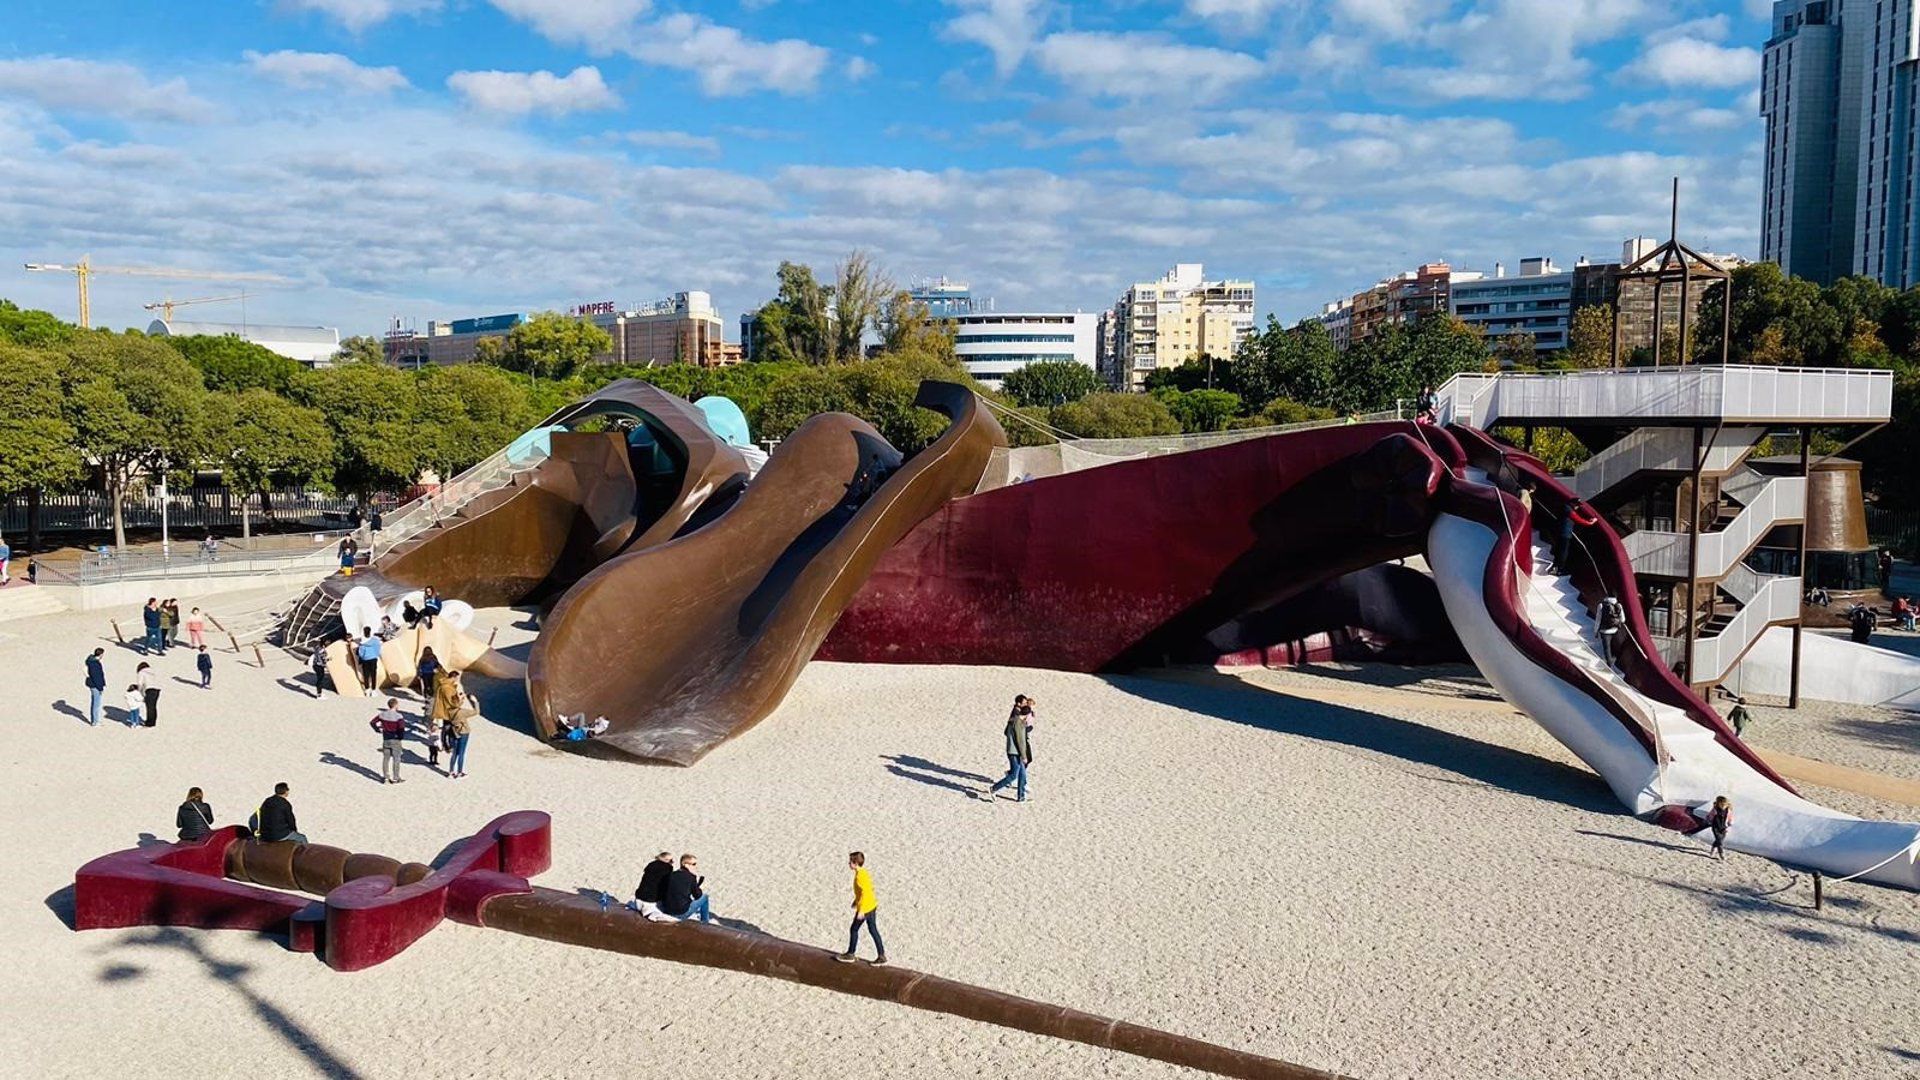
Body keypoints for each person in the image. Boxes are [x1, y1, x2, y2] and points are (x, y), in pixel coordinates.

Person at [836, 851, 887, 964]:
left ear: (855, 863)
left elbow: (865, 892)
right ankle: (881, 955)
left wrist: (861, 910)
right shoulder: (863, 872)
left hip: (866, 908)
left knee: (854, 929)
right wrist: (856, 901)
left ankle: (850, 954)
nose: (849, 863)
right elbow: (867, 889)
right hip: (871, 905)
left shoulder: (859, 876)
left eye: (850, 862)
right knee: (873, 930)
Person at [987, 694, 1033, 803]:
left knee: (1022, 773)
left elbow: (1006, 732)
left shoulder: (1014, 720)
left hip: (1013, 751)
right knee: (1014, 775)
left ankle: (1021, 796)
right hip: (1015, 752)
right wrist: (1024, 756)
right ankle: (994, 788)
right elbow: (1020, 741)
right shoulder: (1019, 724)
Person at [660, 854, 712, 923]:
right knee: (705, 897)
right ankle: (705, 923)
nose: (696, 867)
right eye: (693, 864)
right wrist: (699, 888)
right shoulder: (691, 877)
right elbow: (697, 896)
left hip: (666, 910)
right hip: (680, 914)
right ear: (685, 865)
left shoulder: (671, 875)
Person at [627, 851, 674, 919]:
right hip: (651, 903)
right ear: (665, 860)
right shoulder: (668, 868)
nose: (672, 862)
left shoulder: (651, 865)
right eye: (671, 860)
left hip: (638, 899)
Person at [371, 698, 407, 783]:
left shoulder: (382, 714)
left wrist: (377, 730)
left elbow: (372, 722)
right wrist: (400, 737)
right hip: (395, 739)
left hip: (386, 738)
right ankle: (396, 777)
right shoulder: (399, 716)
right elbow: (401, 728)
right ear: (395, 705)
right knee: (396, 759)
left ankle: (386, 777)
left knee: (386, 759)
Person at [447, 692, 475, 779]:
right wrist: (475, 701)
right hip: (463, 732)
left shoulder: (449, 711)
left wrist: (458, 696)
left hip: (454, 732)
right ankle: (459, 772)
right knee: (461, 753)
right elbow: (476, 711)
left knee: (454, 753)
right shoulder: (462, 712)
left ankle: (451, 772)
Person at [1594, 596, 1625, 665]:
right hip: (1615, 629)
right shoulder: (1618, 605)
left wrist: (1595, 631)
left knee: (1607, 648)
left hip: (1604, 631)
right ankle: (1614, 662)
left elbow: (1598, 620)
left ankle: (1609, 664)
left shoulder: (1601, 605)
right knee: (1613, 646)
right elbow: (1623, 620)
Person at [355, 628, 383, 697]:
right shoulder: (375, 640)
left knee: (366, 675)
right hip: (373, 658)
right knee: (373, 675)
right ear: (370, 632)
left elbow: (360, 652)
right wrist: (375, 654)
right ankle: (373, 690)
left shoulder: (362, 642)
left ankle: (367, 690)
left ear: (364, 632)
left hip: (365, 659)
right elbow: (378, 648)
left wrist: (363, 656)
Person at [84, 647, 106, 727]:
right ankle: (95, 721)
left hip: (92, 684)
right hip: (95, 685)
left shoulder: (91, 661)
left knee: (94, 702)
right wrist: (100, 688)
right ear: (100, 654)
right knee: (96, 704)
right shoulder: (95, 664)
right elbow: (97, 677)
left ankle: (95, 720)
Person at [1706, 796, 1732, 861]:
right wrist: (1708, 820)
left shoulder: (1728, 810)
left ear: (1727, 805)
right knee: (1720, 841)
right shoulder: (1715, 810)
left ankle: (1713, 848)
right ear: (1718, 803)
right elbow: (1709, 816)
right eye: (1721, 804)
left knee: (1719, 840)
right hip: (1716, 827)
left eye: (1724, 805)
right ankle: (1721, 854)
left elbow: (1730, 818)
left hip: (1724, 828)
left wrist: (1730, 823)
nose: (1723, 806)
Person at [137, 661, 158, 727]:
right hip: (157, 689)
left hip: (149, 689)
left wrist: (140, 692)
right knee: (153, 706)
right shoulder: (152, 671)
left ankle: (149, 723)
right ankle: (153, 721)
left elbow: (140, 683)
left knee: (149, 707)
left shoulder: (141, 672)